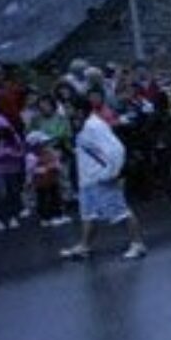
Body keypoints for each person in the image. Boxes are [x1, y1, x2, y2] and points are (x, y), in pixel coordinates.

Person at [61, 102, 147, 260]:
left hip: (102, 179)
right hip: (88, 180)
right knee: (88, 215)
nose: (65, 110)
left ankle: (138, 244)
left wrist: (111, 173)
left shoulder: (95, 127)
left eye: (68, 108)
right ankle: (85, 246)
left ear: (79, 110)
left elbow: (117, 149)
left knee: (121, 212)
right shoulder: (82, 126)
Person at [26, 131, 67, 226]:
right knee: (42, 200)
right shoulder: (31, 156)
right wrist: (47, 168)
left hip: (53, 179)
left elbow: (57, 163)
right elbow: (31, 170)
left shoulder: (50, 152)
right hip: (41, 182)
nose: (45, 145)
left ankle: (57, 215)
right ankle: (44, 218)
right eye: (42, 144)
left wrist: (57, 166)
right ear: (35, 145)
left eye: (45, 143)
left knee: (55, 197)